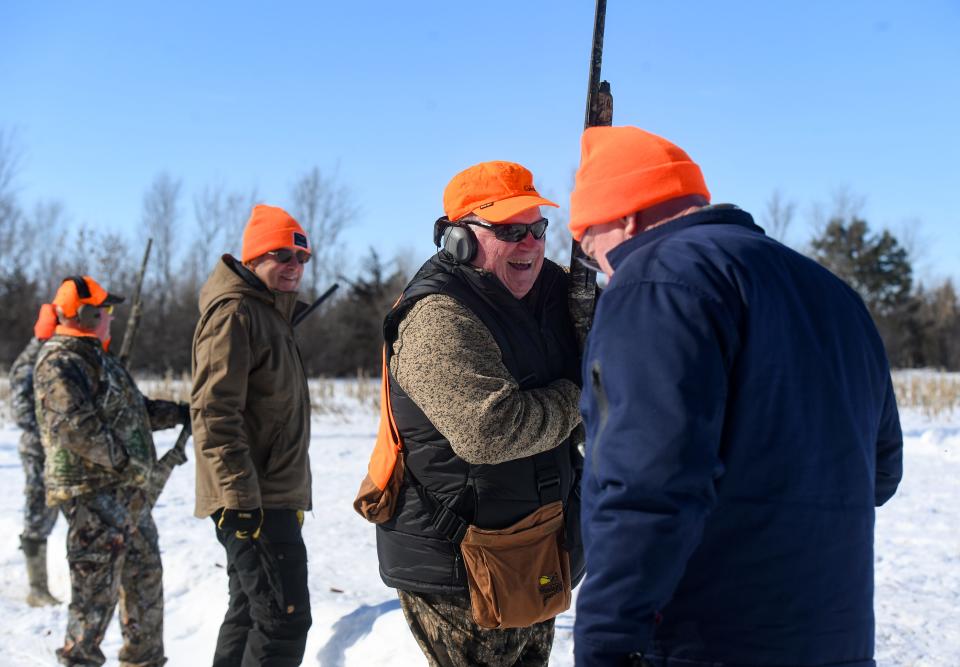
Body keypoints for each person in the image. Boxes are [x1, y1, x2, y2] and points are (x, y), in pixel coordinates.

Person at [567, 126, 904, 667]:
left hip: (710, 642)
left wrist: (606, 640)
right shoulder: (834, 294)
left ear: (623, 220)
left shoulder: (656, 282)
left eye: (592, 250)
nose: (602, 271)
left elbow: (645, 482)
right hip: (835, 640)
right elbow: (880, 473)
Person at [354, 161, 585, 667]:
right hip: (461, 566)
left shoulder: (555, 292)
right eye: (509, 230)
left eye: (537, 228)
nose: (529, 243)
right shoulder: (438, 317)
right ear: (459, 239)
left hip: (531, 544)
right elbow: (491, 430)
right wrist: (581, 396)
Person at [34, 275, 190, 667]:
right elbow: (72, 426)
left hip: (128, 500)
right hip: (94, 498)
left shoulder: (97, 359)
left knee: (144, 587)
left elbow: (132, 413)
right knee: (93, 603)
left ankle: (144, 660)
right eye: (105, 311)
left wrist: (183, 414)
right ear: (85, 313)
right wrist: (125, 461)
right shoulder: (60, 361)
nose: (111, 319)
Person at [191, 204, 313, 666]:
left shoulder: (267, 314)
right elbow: (214, 411)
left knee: (249, 612)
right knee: (282, 620)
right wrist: (240, 498)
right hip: (252, 498)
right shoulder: (237, 313)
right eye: (282, 255)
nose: (294, 267)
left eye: (302, 258)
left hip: (271, 494)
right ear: (255, 256)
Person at [9, 302, 60, 606]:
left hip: (60, 451)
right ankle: (37, 587)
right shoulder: (29, 363)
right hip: (38, 451)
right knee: (37, 512)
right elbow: (21, 413)